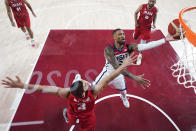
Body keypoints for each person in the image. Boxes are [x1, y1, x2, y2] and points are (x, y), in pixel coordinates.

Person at [2, 55, 138, 131]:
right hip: (80, 114)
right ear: (84, 91)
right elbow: (110, 77)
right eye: (84, 83)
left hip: (80, 114)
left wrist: (22, 85)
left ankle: (68, 109)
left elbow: (43, 88)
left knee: (79, 122)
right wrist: (123, 65)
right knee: (76, 119)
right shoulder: (91, 91)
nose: (87, 81)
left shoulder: (71, 92)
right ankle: (67, 112)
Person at [93, 28, 174, 108]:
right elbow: (116, 67)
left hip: (119, 75)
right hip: (107, 74)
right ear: (114, 37)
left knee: (123, 91)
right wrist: (134, 77)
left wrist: (164, 40)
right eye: (120, 34)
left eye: (123, 34)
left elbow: (146, 46)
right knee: (93, 89)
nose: (123, 36)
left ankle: (124, 98)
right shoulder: (109, 50)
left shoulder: (129, 47)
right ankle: (89, 103)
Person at [133, 0, 158, 64]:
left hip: (147, 28)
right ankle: (135, 34)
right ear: (148, 1)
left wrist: (154, 23)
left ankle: (140, 56)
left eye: (153, 2)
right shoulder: (142, 6)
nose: (151, 3)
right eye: (150, 1)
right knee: (135, 37)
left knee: (143, 42)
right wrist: (136, 23)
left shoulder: (155, 9)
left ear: (155, 2)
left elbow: (155, 16)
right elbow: (135, 13)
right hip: (139, 25)